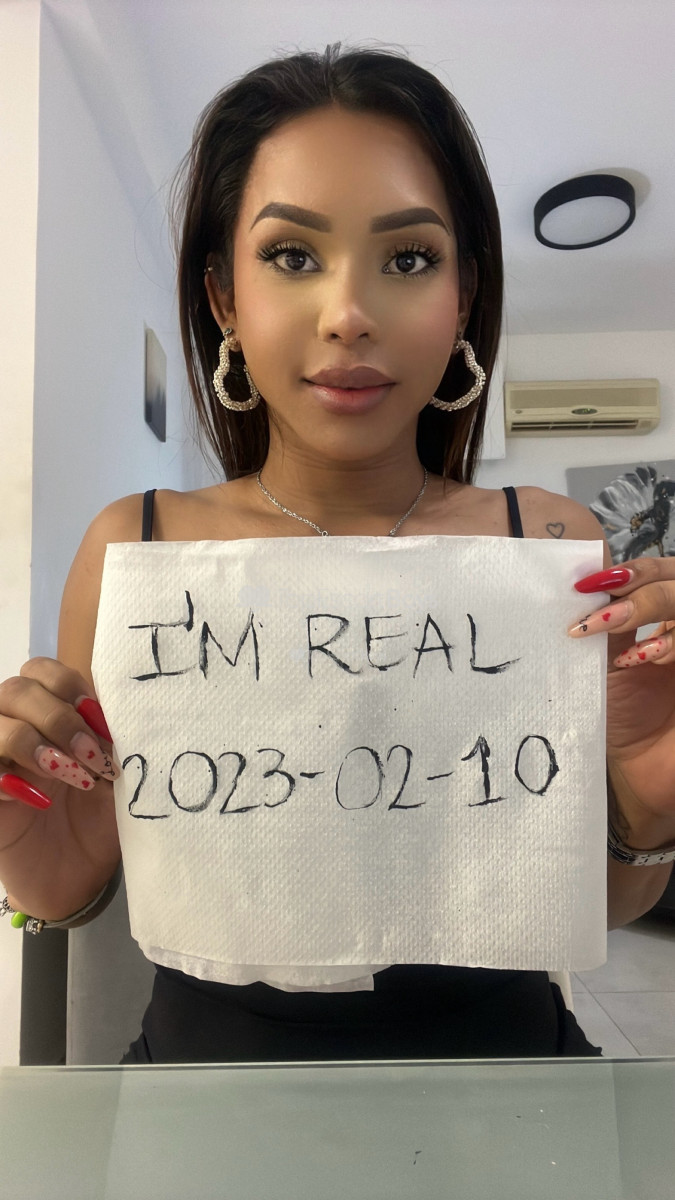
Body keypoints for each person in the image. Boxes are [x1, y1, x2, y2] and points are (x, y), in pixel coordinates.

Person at [1, 43, 674, 1064]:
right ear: (223, 297)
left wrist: (644, 799)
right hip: (203, 1086)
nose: (349, 314)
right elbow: (68, 881)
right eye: (291, 255)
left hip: (505, 1080)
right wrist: (28, 841)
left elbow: (602, 901)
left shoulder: (547, 545)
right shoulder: (134, 549)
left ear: (463, 297)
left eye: (407, 259)